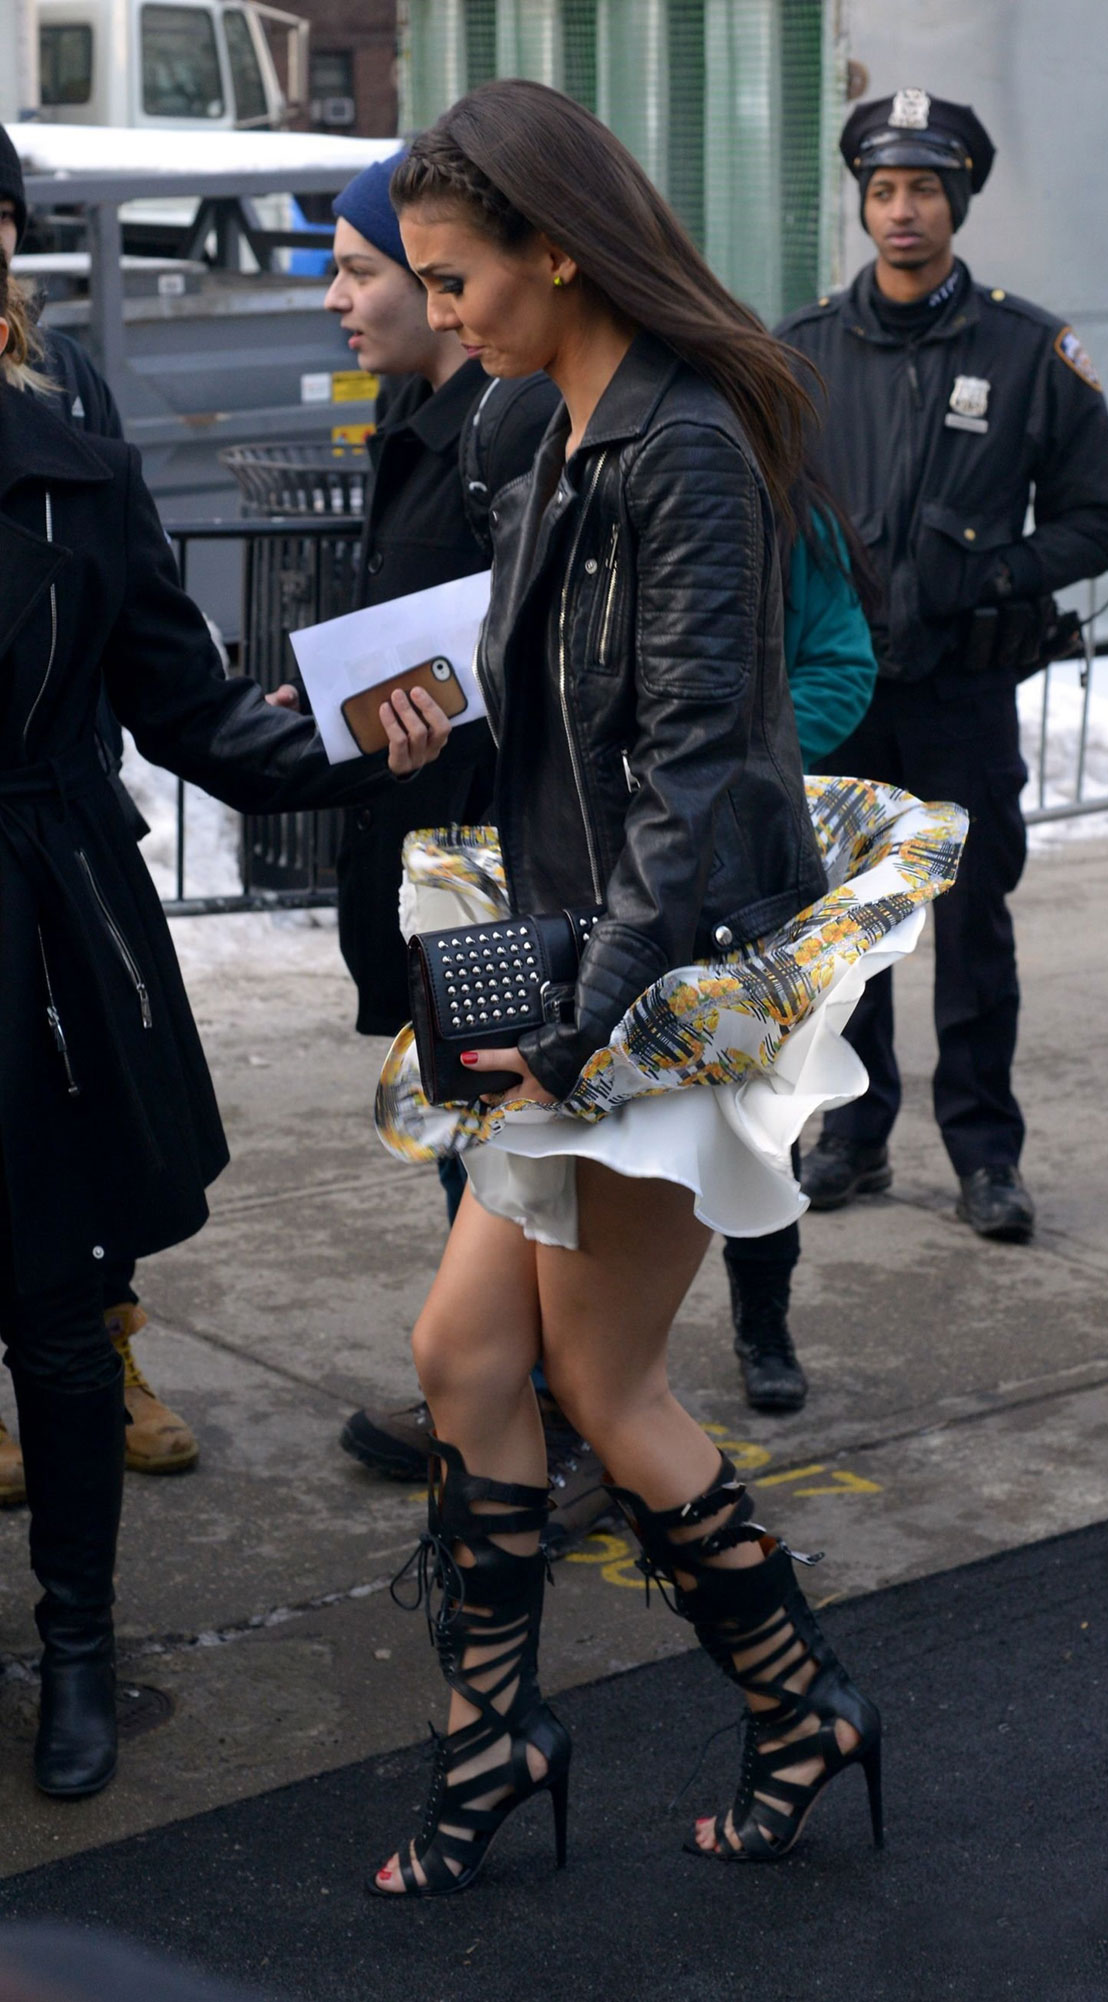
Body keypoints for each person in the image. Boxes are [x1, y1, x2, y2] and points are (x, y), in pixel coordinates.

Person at [361, 78, 965, 1898]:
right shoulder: (562, 430)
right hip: (587, 961)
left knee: (601, 1383)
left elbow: (698, 772)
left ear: (557, 247)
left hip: (656, 987)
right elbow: (572, 721)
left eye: (456, 276)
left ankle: (801, 1708)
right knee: (466, 1354)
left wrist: (572, 1019)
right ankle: (504, 1735)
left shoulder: (683, 443)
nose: (441, 310)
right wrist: (412, 731)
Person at [0, 245, 448, 1799]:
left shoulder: (75, 471)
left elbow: (192, 709)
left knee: (54, 1314)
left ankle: (76, 1650)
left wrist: (361, 746)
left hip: (39, 939)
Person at [266, 156, 607, 1549]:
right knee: (477, 1143)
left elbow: (545, 649)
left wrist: (431, 699)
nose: (340, 299)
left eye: (367, 272)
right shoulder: (421, 416)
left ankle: (557, 1414)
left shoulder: (514, 421)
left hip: (495, 861)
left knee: (520, 1151)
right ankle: (497, 1392)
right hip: (423, 844)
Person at [777, 89, 1108, 1242]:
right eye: (883, 190)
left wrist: (980, 572)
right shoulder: (805, 350)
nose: (901, 212)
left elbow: (1100, 520)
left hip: (965, 698)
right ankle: (855, 1133)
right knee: (851, 929)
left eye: (925, 189)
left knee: (974, 928)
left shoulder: (1029, 352)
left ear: (959, 201)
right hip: (842, 695)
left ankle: (986, 1154)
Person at [0, 124, 197, 1501]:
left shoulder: (67, 404)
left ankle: (95, 1357)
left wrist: (371, 742)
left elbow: (142, 631)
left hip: (54, 853)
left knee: (68, 1189)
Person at [721, 500, 876, 1411]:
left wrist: (737, 774)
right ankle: (592, 1369)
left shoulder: (787, 520)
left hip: (750, 869)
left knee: (759, 1113)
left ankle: (763, 1322)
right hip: (595, 862)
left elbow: (841, 668)